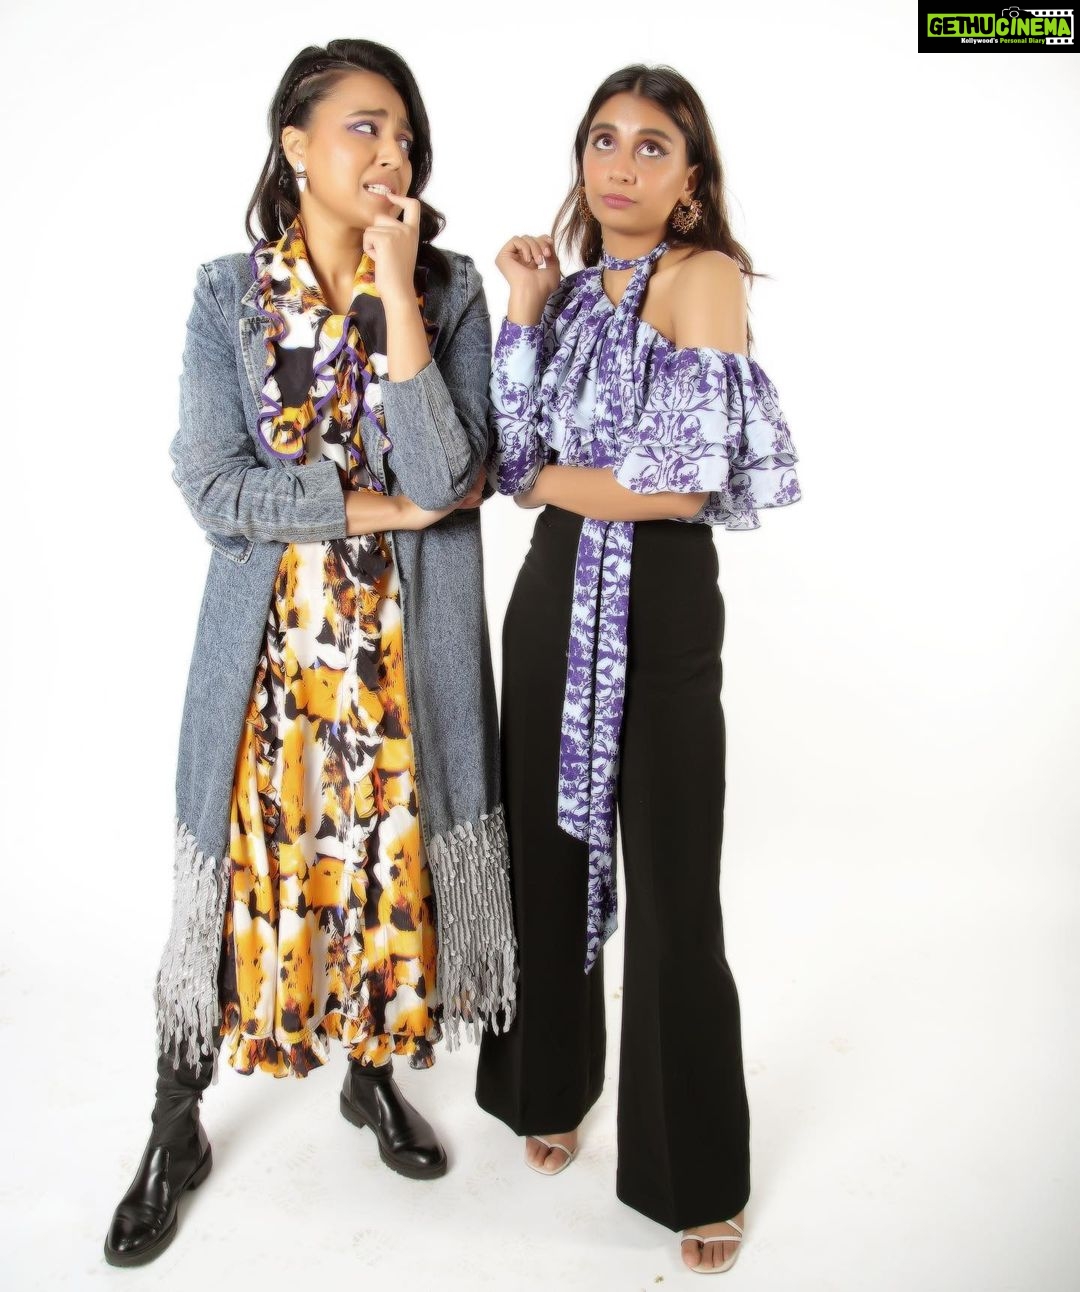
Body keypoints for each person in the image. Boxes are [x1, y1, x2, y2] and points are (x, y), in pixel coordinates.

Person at [105, 38, 515, 1267]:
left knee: (389, 872)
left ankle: (370, 1074)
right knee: (233, 882)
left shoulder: (447, 292)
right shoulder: (227, 294)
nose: (393, 153)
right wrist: (373, 508)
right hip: (269, 667)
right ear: (296, 145)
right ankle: (174, 1122)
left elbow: (453, 471)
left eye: (405, 135)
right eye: (364, 127)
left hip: (400, 663)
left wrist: (395, 286)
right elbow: (211, 483)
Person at [475, 64, 801, 1275]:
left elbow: (678, 484)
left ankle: (692, 1170)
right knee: (541, 855)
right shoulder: (570, 294)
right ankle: (543, 1087)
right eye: (603, 140)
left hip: (659, 601)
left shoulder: (702, 276)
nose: (619, 164)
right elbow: (505, 448)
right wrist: (523, 305)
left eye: (651, 146)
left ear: (691, 180)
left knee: (672, 885)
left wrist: (546, 480)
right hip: (554, 589)